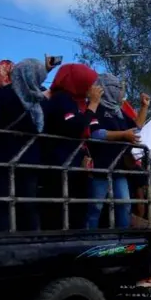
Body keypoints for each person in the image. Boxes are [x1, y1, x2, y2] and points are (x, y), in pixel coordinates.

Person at [0, 58, 51, 232]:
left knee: (1, 203)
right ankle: (33, 243)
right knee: (28, 203)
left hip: (3, 156)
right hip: (31, 159)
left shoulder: (2, 94)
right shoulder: (42, 99)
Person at [42, 63, 99, 230]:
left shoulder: (75, 101)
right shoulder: (62, 99)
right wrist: (93, 105)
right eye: (89, 83)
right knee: (63, 210)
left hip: (73, 163)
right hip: (60, 162)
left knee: (78, 208)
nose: (92, 88)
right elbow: (74, 127)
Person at [87, 74, 142, 229]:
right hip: (100, 166)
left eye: (119, 87)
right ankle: (88, 239)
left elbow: (135, 128)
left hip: (119, 167)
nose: (118, 90)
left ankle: (122, 238)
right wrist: (123, 135)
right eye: (114, 87)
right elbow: (96, 134)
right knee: (95, 207)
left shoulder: (119, 111)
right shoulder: (94, 107)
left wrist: (144, 107)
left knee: (124, 204)